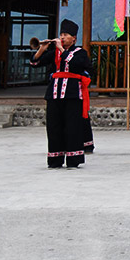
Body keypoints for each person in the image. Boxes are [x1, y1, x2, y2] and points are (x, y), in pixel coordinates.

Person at [30, 19, 92, 169]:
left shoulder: (80, 52)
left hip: (72, 94)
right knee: (54, 126)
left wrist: (60, 49)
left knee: (72, 126)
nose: (62, 38)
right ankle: (55, 159)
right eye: (61, 35)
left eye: (66, 35)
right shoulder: (54, 53)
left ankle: (73, 159)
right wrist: (42, 49)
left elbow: (76, 64)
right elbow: (34, 63)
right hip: (54, 93)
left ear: (74, 38)